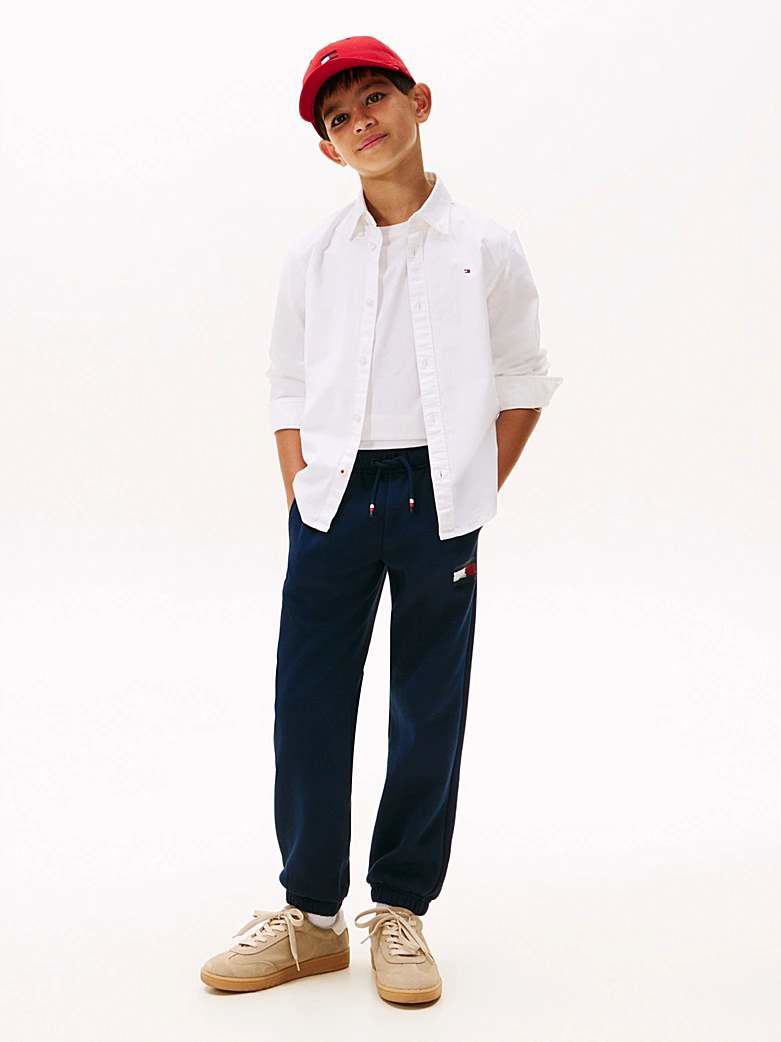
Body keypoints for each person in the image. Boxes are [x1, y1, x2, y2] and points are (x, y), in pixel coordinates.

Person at [200, 34, 563, 1005]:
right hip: (332, 497)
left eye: (374, 98)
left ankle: (400, 909)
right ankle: (311, 918)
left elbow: (523, 376)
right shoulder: (313, 258)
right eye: (339, 117)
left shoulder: (484, 246)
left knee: (427, 702)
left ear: (418, 102)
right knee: (307, 702)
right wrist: (300, 487)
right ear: (328, 148)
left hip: (436, 494)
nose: (361, 121)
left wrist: (470, 487)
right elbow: (286, 380)